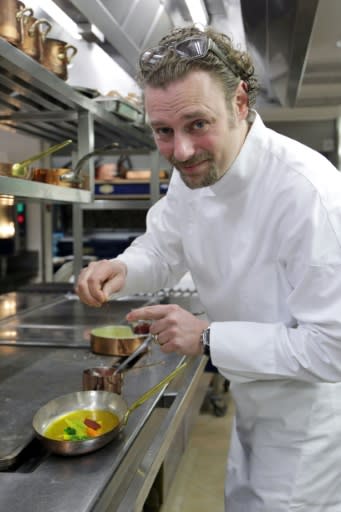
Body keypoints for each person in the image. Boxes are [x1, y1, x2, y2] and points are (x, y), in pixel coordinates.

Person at [75, 25, 341, 511]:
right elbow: (164, 247)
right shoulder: (196, 172)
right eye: (163, 131)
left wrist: (209, 338)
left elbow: (333, 347)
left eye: (198, 124)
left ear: (240, 102)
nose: (181, 151)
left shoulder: (309, 194)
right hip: (254, 396)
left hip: (310, 421)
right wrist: (122, 268)